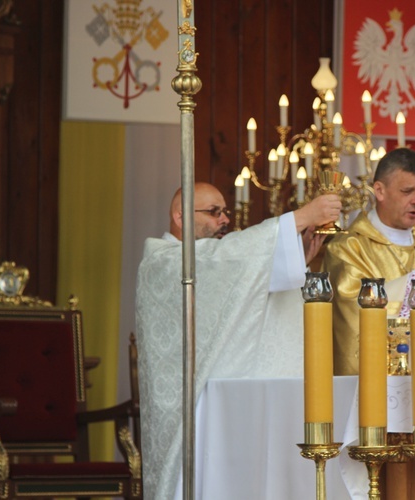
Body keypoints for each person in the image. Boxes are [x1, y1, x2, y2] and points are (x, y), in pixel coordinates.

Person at [135, 182, 341, 500]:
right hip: (190, 412)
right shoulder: (162, 261)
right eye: (213, 212)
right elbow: (224, 260)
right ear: (179, 215)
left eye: (225, 212)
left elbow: (238, 275)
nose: (225, 220)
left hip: (231, 403)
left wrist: (293, 260)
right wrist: (300, 217)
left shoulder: (212, 259)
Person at [322, 148, 415, 375]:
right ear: (379, 190)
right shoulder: (347, 248)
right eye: (407, 191)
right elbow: (355, 316)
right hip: (375, 384)